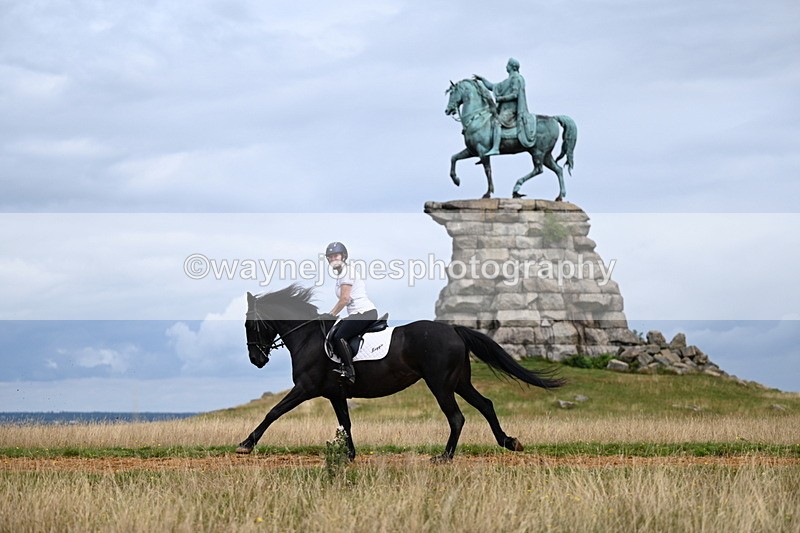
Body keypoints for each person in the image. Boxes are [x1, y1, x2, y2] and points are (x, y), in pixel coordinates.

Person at [325, 241, 378, 385]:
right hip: (356, 314)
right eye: (329, 257)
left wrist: (330, 315)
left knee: (339, 336)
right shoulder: (341, 274)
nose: (332, 259)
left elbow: (344, 299)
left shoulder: (346, 272)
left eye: (335, 255)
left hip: (364, 312)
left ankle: (349, 371)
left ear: (343, 256)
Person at [474, 57, 537, 155]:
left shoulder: (516, 78)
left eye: (507, 65)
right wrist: (482, 80)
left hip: (511, 110)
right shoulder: (508, 80)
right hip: (504, 109)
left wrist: (501, 99)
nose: (506, 67)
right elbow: (493, 86)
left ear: (512, 67)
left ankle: (495, 148)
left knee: (496, 122)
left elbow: (515, 94)